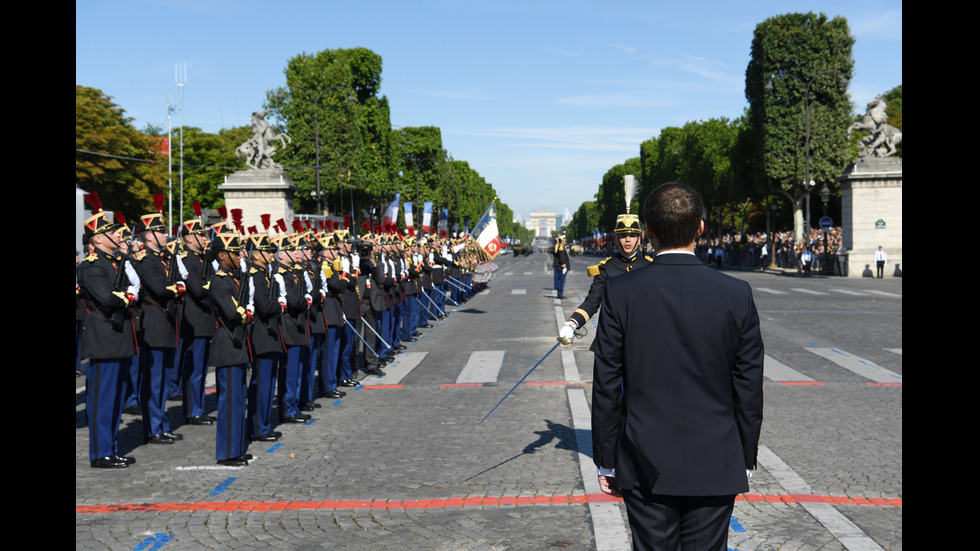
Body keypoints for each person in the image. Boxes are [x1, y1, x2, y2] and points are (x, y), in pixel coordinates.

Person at [591, 182, 764, 551]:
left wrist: (606, 460)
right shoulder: (737, 293)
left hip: (643, 457)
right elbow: (748, 386)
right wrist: (746, 455)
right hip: (716, 456)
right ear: (701, 228)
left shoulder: (620, 292)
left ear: (648, 231)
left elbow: (607, 381)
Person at [78, 208, 139, 468]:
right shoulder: (91, 265)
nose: (116, 235)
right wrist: (126, 297)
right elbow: (105, 297)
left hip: (120, 334)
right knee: (103, 398)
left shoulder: (116, 262)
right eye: (109, 232)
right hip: (104, 336)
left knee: (116, 397)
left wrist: (126, 295)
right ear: (98, 239)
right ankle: (100, 452)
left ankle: (110, 447)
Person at [559, 212, 652, 344]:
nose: (627, 240)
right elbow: (592, 301)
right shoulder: (606, 268)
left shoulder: (650, 266)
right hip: (611, 340)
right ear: (616, 238)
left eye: (632, 235)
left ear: (639, 238)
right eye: (623, 235)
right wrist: (572, 323)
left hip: (642, 339)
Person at [206, 233, 251, 466]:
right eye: (235, 252)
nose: (239, 255)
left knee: (237, 399)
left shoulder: (233, 279)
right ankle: (227, 453)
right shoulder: (220, 281)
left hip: (236, 343)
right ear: (222, 256)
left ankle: (236, 447)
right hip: (228, 342)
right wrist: (247, 311)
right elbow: (233, 314)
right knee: (230, 401)